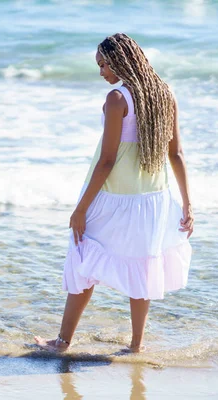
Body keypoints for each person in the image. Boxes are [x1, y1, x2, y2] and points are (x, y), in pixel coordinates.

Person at [35, 33, 194, 353]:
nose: (101, 72)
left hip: (112, 197)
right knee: (142, 267)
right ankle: (136, 346)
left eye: (104, 64)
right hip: (153, 199)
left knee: (82, 262)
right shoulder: (165, 93)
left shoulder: (117, 99)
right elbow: (176, 153)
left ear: (121, 59)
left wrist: (81, 208)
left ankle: (62, 342)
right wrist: (187, 205)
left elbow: (107, 161)